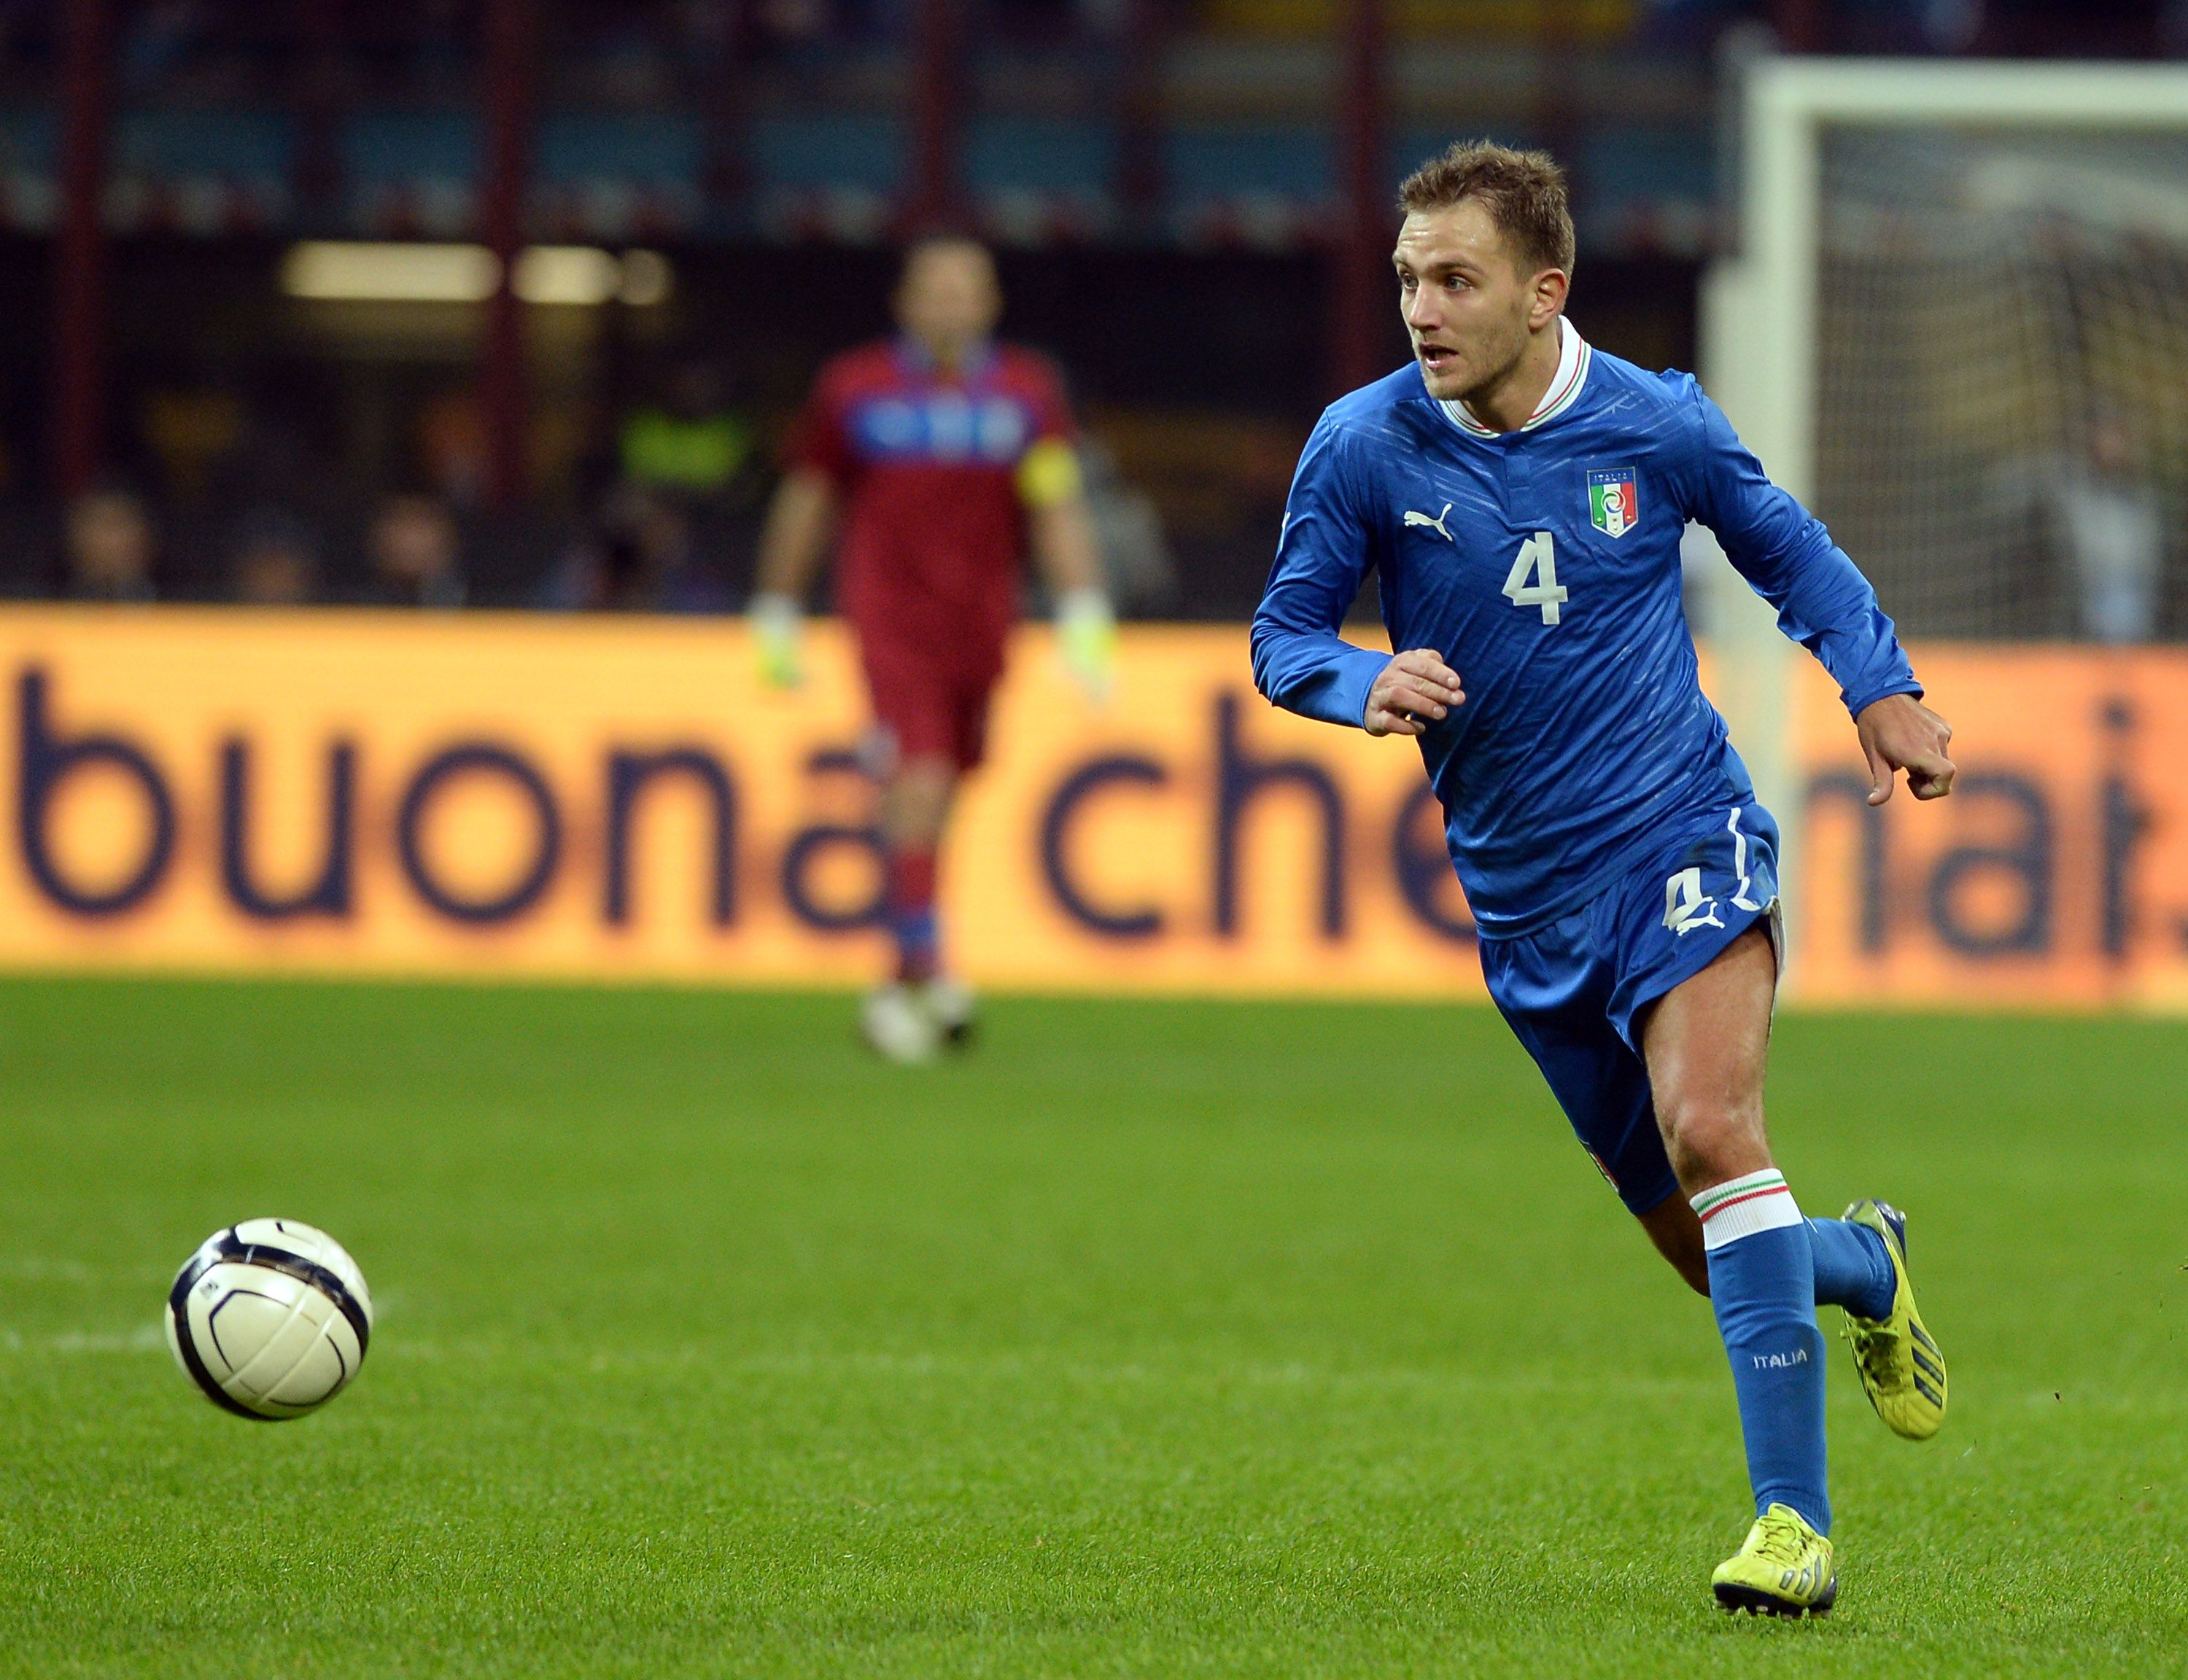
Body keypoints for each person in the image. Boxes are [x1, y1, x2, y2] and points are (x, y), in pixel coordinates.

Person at [1251, 143, 1958, 1617]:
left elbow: (1793, 555)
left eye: (1455, 280)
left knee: (1715, 1129)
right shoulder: (1364, 444)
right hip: (1525, 909)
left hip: (1681, 838)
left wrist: (1876, 687)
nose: (1422, 310)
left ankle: (1793, 1533)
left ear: (1542, 292)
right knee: (1719, 1252)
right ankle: (1864, 1269)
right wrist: (1353, 685)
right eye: (1406, 280)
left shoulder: (1656, 423)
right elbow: (1284, 636)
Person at [750, 236, 1114, 1063]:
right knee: (917, 777)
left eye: (967, 291)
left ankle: (897, 978)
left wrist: (1085, 608)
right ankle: (931, 966)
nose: (951, 305)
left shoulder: (1026, 394)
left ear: (989, 304)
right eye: (936, 290)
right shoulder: (856, 390)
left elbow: (1054, 503)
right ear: (905, 302)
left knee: (943, 789)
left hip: (982, 625)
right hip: (890, 619)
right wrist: (775, 604)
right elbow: (809, 497)